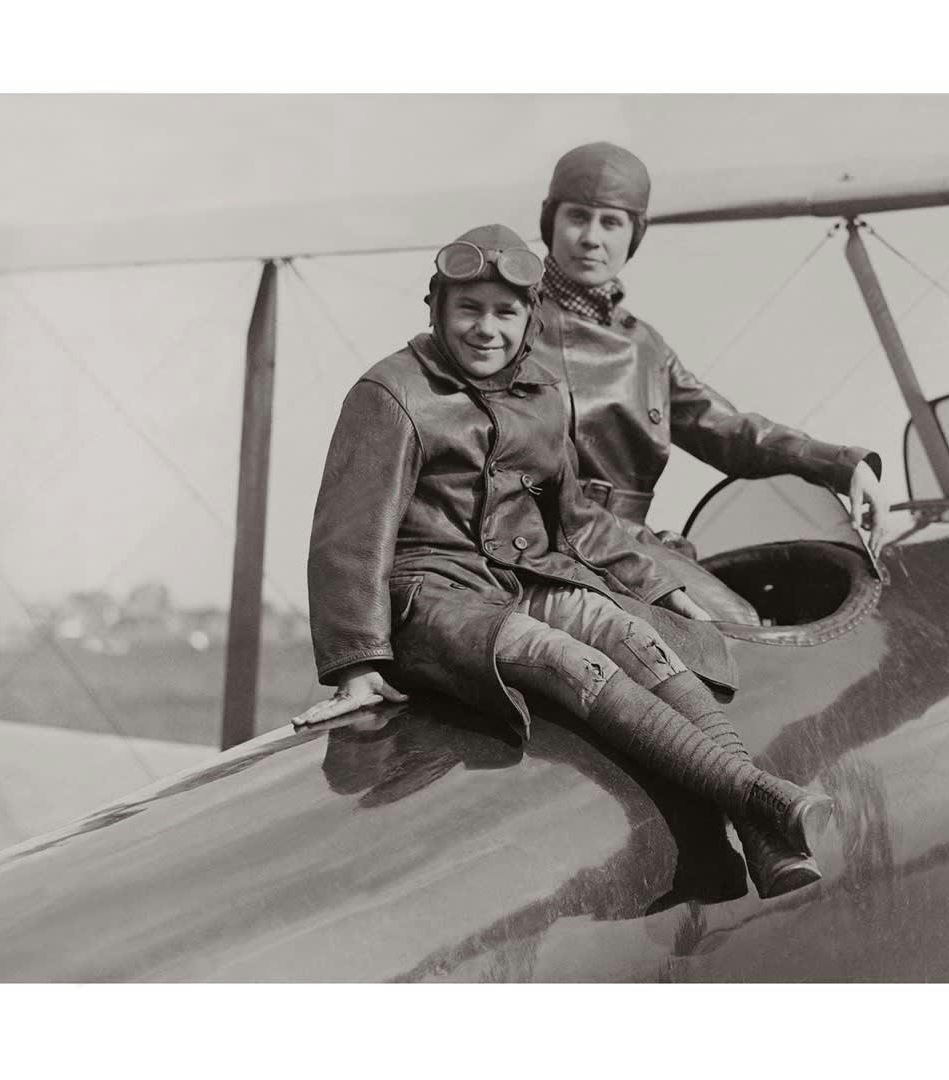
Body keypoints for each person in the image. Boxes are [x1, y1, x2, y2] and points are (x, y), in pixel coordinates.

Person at [294, 224, 831, 898]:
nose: (486, 328)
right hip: (434, 598)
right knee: (568, 661)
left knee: (635, 638)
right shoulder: (391, 392)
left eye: (505, 312)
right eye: (468, 308)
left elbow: (574, 518)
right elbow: (348, 536)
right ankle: (762, 799)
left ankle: (762, 838)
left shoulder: (541, 394)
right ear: (436, 307)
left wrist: (660, 587)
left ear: (529, 320)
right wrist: (357, 664)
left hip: (523, 578)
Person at [533, 142, 888, 624]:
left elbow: (730, 431)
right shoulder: (508, 327)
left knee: (740, 624)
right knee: (728, 627)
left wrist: (844, 465)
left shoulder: (645, 346)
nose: (591, 238)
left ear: (635, 234)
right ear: (550, 221)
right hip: (540, 539)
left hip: (625, 541)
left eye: (611, 222)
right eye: (577, 217)